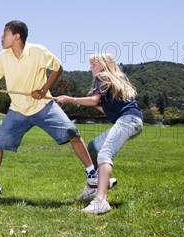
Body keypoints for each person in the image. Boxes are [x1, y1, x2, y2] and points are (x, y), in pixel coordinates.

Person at [0, 20, 103, 200]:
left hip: (43, 106)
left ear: (17, 36)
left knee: (72, 133)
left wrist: (44, 89)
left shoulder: (38, 51)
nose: (1, 37)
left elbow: (58, 67)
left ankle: (93, 175)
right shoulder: (4, 56)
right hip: (18, 110)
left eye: (4, 33)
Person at [55, 53, 143, 214]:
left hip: (127, 121)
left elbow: (94, 100)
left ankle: (101, 200)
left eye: (94, 64)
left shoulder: (102, 77)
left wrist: (71, 99)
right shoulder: (112, 79)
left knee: (104, 154)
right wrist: (84, 102)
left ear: (103, 65)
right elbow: (103, 107)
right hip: (133, 122)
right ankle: (94, 186)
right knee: (94, 147)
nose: (91, 68)